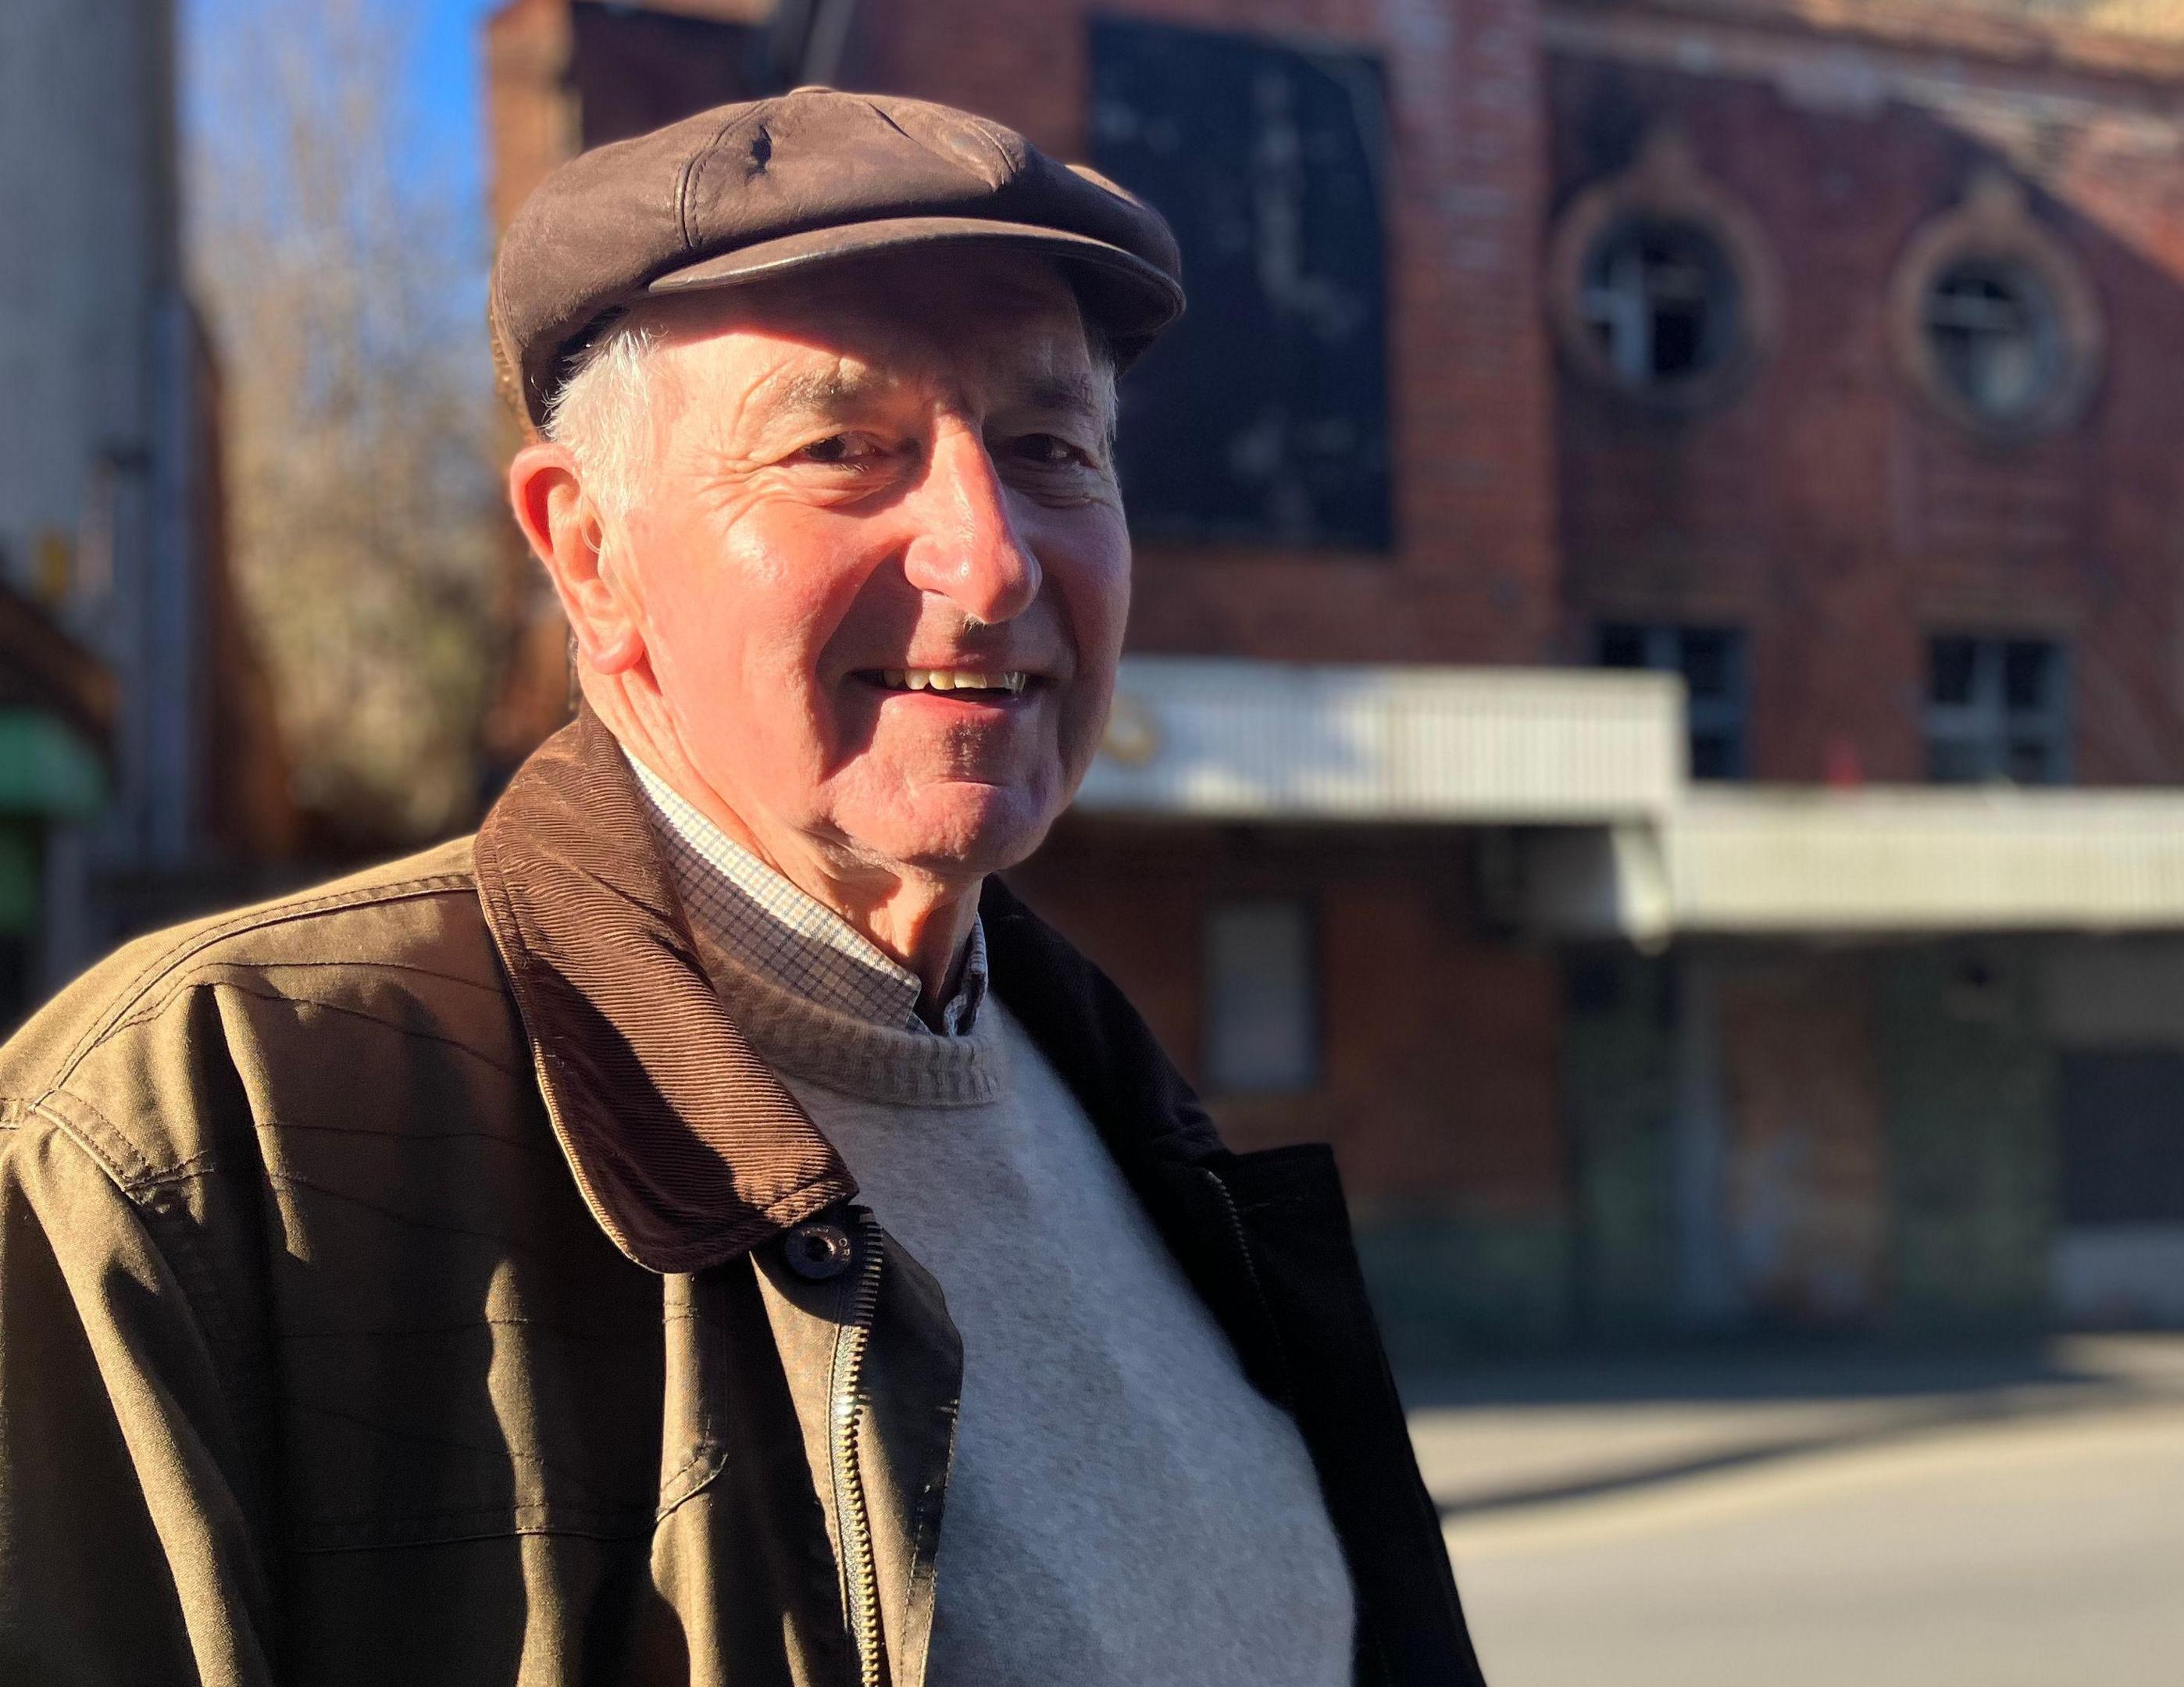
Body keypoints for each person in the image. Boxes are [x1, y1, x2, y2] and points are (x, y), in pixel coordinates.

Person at [0, 88, 1481, 1687]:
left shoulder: (1125, 1109)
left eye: (1052, 448)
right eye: (844, 449)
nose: (988, 562)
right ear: (588, 555)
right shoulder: (201, 1133)